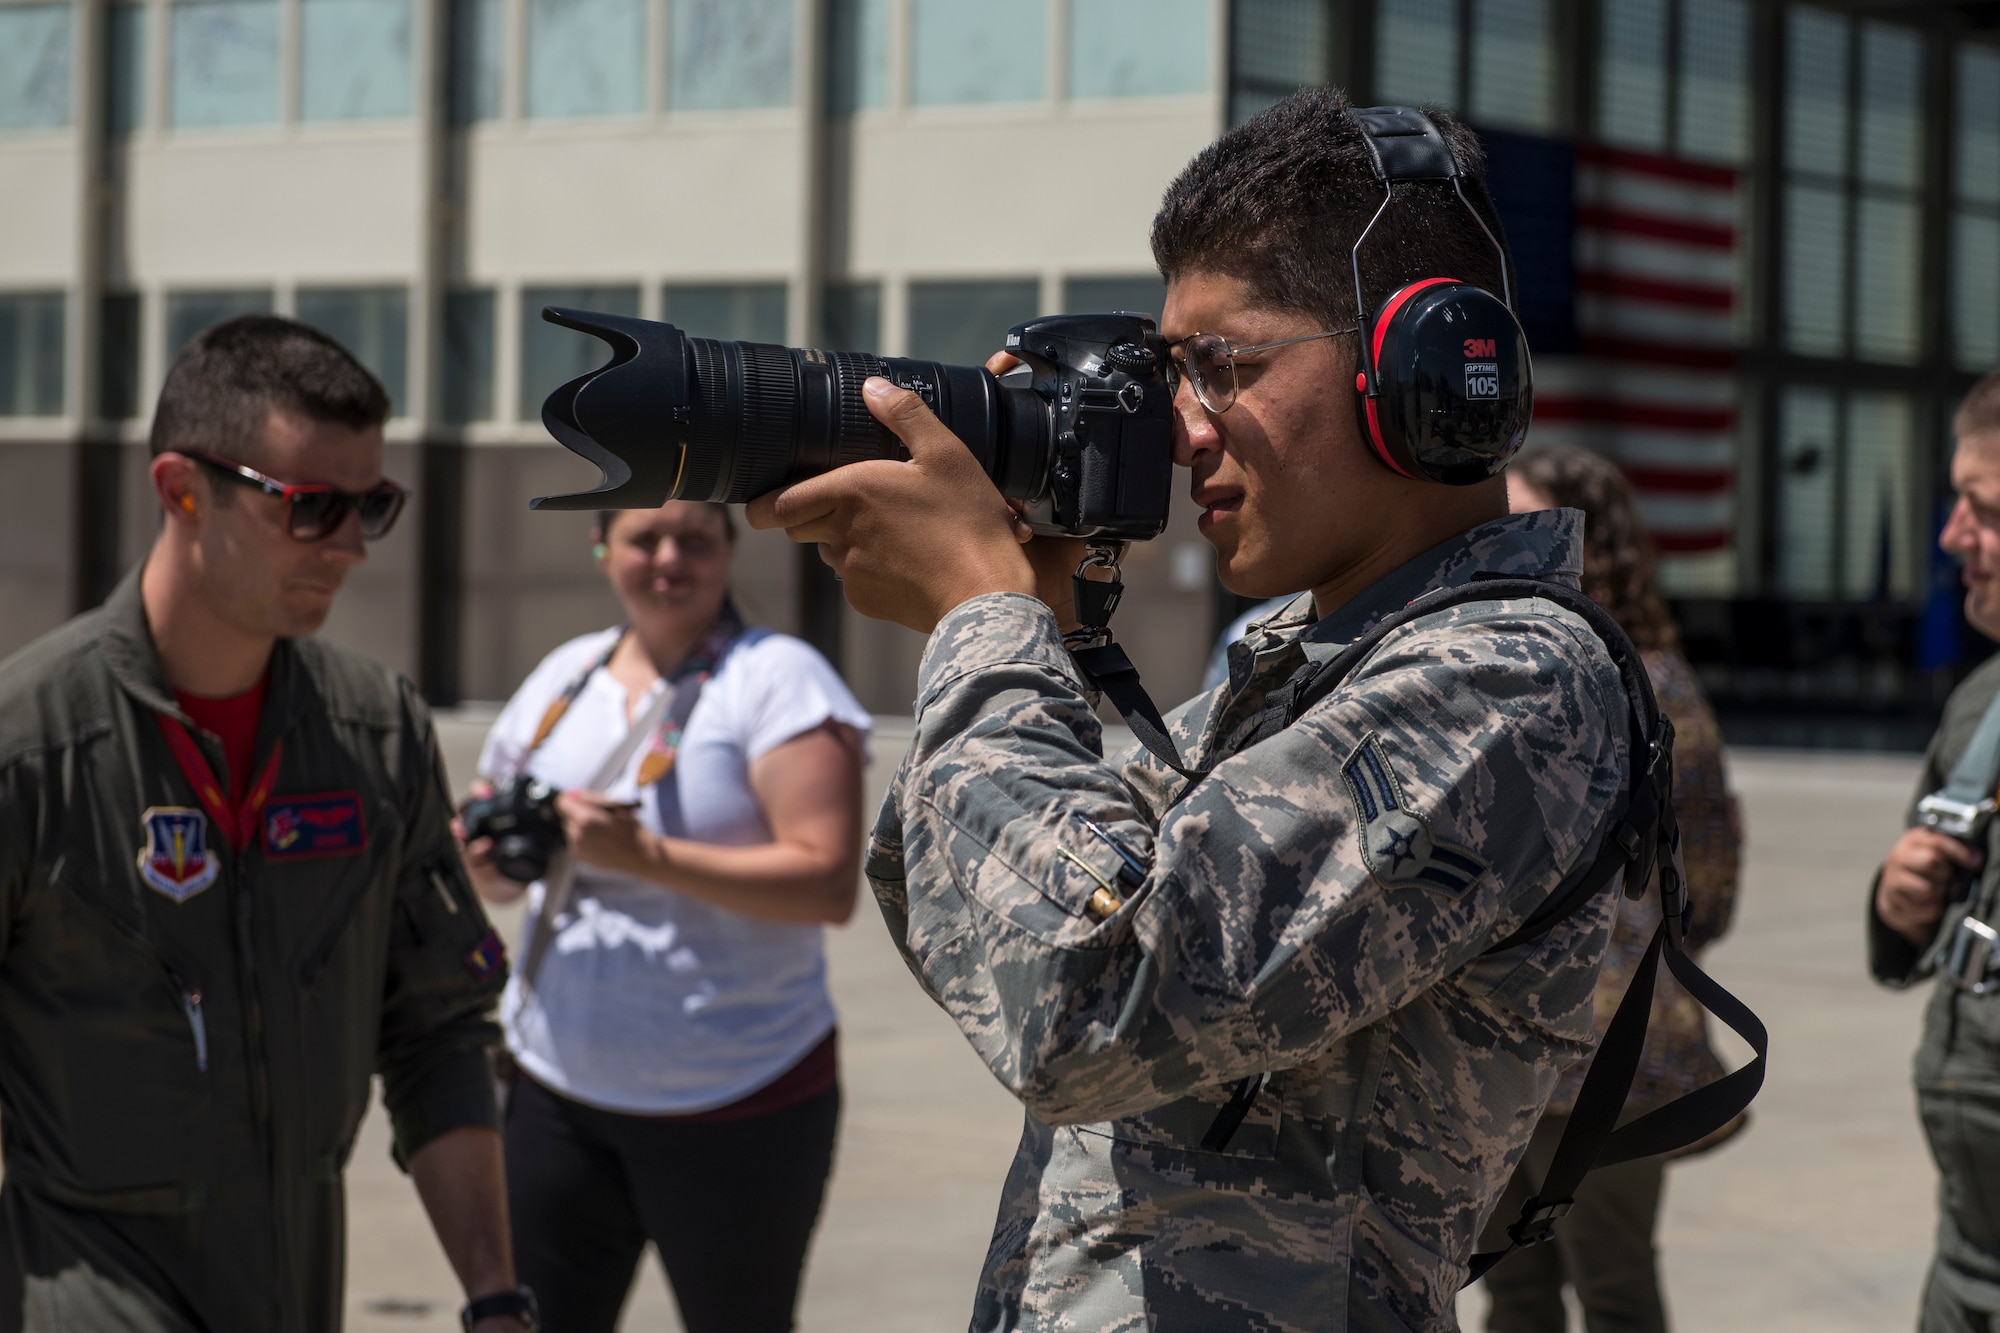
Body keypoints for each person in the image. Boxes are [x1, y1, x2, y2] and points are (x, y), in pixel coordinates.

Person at [748, 90, 1636, 1331]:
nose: (1180, 429)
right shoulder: (1309, 654)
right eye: (1171, 373)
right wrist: (1040, 626)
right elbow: (996, 927)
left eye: (1223, 365)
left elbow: (1086, 1003)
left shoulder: (1511, 684)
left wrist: (980, 619)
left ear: (1416, 361)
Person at [0, 316, 531, 1332]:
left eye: (370, 505)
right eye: (309, 505)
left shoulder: (374, 737)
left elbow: (434, 1030)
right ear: (180, 490)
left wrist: (495, 1295)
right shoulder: (31, 751)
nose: (347, 546)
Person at [459, 499, 868, 1333]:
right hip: (556, 1088)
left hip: (740, 1098)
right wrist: (486, 862)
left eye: (695, 538)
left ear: (728, 550)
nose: (669, 558)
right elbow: (494, 851)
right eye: (645, 538)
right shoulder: (565, 678)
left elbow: (826, 882)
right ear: (603, 546)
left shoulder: (778, 677)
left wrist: (648, 859)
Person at [1479, 446, 1744, 1333]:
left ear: (1596, 544)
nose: (1502, 540)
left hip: (1608, 1061)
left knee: (1615, 1290)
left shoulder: (1656, 686)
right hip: (1492, 1053)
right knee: (1512, 1291)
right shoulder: (1491, 673)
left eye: (1527, 520)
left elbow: (1705, 878)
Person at [1870, 366, 2000, 1333]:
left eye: (1981, 507)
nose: (1954, 537)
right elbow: (1926, 926)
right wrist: (1899, 908)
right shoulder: (1977, 708)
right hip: (1967, 1255)